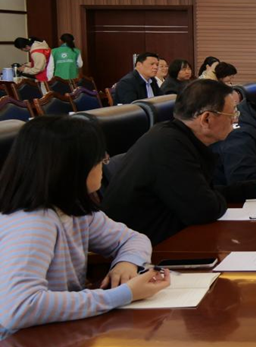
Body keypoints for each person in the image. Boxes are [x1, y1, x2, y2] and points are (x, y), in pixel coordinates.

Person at [0, 116, 168, 335]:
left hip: (57, 330)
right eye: (100, 158)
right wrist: (123, 294)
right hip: (19, 343)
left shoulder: (73, 209)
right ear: (73, 168)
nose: (104, 164)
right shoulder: (33, 223)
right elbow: (19, 308)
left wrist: (127, 263)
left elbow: (133, 239)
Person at [102, 79, 256, 245]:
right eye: (232, 114)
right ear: (206, 119)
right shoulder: (170, 146)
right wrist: (212, 197)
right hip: (144, 253)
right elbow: (205, 209)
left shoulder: (180, 138)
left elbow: (204, 193)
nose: (236, 120)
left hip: (169, 238)